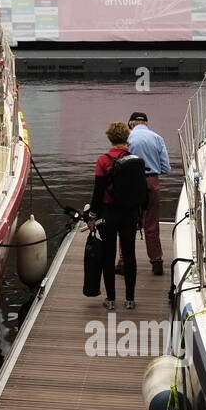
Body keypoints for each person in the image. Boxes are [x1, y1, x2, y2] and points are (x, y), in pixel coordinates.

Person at [87, 121, 143, 310]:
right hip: (129, 213)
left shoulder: (103, 160)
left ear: (110, 138)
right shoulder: (135, 158)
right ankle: (130, 299)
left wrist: (92, 216)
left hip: (108, 212)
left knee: (108, 256)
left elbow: (98, 191)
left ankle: (111, 300)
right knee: (130, 255)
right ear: (126, 138)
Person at [121, 112, 170, 276]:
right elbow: (166, 168)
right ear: (146, 123)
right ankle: (156, 262)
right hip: (152, 181)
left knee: (127, 222)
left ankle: (123, 262)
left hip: (131, 183)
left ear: (131, 124)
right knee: (151, 224)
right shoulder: (157, 138)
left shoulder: (127, 139)